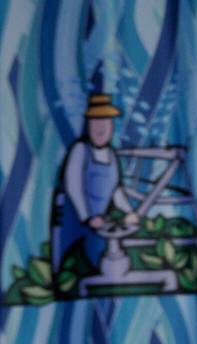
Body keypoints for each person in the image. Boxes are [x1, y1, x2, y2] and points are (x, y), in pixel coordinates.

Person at [50, 93, 139, 282]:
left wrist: (129, 212)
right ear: (89, 124)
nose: (101, 128)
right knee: (69, 267)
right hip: (73, 220)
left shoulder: (112, 156)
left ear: (111, 126)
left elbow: (116, 190)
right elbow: (73, 187)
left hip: (98, 224)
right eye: (96, 122)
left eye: (105, 122)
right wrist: (87, 217)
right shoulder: (80, 150)